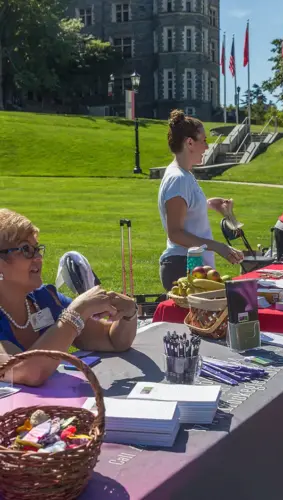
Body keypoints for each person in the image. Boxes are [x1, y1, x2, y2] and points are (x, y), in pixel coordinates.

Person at [0, 209, 138, 387]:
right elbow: (28, 372)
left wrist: (129, 313)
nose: (39, 258)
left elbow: (112, 340)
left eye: (37, 249)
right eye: (26, 250)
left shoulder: (44, 299)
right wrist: (77, 312)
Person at [158, 110, 244, 291]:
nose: (206, 147)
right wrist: (218, 247)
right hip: (182, 266)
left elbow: (186, 210)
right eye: (203, 140)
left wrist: (211, 204)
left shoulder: (184, 175)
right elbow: (175, 233)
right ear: (189, 142)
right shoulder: (178, 179)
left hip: (191, 266)